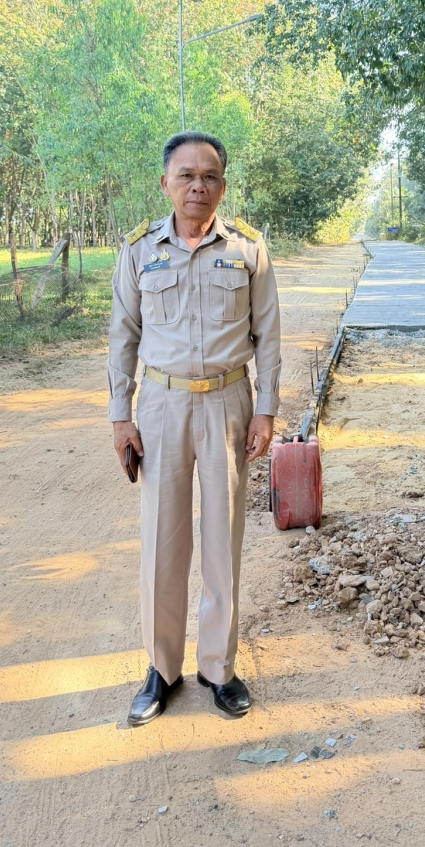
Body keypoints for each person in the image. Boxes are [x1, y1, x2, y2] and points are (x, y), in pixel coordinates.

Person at [107, 131, 281, 723]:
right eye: (186, 175)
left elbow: (268, 335)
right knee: (163, 540)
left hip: (229, 402)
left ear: (222, 187)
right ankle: (161, 669)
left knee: (222, 539)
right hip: (162, 405)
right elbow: (123, 336)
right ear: (166, 184)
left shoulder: (248, 249)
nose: (197, 186)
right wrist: (120, 416)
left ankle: (218, 668)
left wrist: (266, 410)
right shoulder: (139, 250)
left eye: (209, 176)